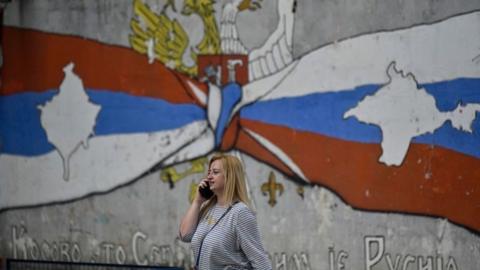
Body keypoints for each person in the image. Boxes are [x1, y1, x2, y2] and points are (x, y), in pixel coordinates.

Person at [179, 154, 272, 270]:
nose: (209, 177)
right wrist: (197, 202)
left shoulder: (240, 213)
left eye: (215, 172)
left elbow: (261, 262)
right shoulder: (208, 208)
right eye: (209, 172)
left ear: (230, 176)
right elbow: (185, 236)